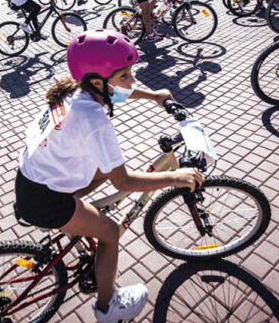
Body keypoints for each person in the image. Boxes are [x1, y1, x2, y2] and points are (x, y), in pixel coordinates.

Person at [14, 29, 203, 323]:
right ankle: (108, 309)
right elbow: (124, 182)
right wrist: (177, 177)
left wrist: (154, 96)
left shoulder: (74, 90)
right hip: (45, 199)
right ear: (97, 81)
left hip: (33, 178)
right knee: (111, 232)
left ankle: (83, 215)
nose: (133, 81)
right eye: (125, 75)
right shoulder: (93, 118)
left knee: (103, 166)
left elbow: (120, 92)